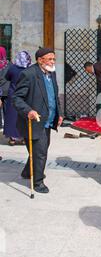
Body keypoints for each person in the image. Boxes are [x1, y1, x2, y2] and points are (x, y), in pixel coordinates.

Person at [13, 48, 63, 194]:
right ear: (40, 60)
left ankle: (28, 171)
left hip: (48, 119)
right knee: (40, 152)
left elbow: (54, 94)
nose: (53, 62)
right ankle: (38, 182)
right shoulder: (28, 74)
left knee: (41, 148)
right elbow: (17, 98)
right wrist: (29, 110)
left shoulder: (51, 73)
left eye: (54, 59)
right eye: (50, 59)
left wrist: (59, 114)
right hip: (34, 121)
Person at [4, 51, 32, 145]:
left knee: (11, 117)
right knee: (23, 116)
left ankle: (12, 139)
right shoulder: (29, 69)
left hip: (13, 94)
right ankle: (24, 138)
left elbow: (7, 77)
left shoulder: (13, 68)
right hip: (25, 95)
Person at [0, 46, 9, 129]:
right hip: (7, 91)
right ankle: (7, 127)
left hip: (2, 90)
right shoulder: (9, 64)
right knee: (7, 111)